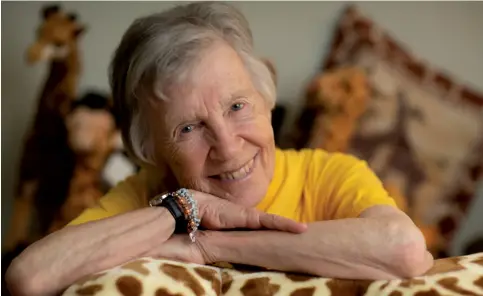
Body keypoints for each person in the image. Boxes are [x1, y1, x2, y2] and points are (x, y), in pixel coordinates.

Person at [5, 2, 434, 296]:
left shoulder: (328, 174)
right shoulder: (146, 196)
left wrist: (209, 246)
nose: (227, 146)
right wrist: (178, 210)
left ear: (265, 101)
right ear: (150, 147)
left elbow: (406, 250)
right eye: (189, 127)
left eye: (237, 106)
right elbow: (29, 277)